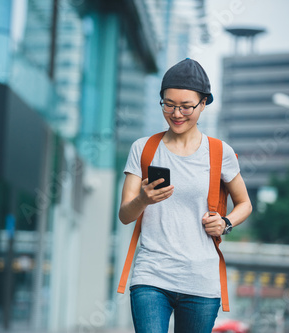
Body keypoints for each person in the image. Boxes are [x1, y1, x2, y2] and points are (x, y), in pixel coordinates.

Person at [119, 58, 253, 332]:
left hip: (201, 282)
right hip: (151, 276)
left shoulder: (220, 152)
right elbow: (124, 215)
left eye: (186, 106)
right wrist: (143, 199)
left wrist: (225, 223)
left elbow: (245, 204)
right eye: (168, 104)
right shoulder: (143, 148)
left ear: (203, 103)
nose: (176, 113)